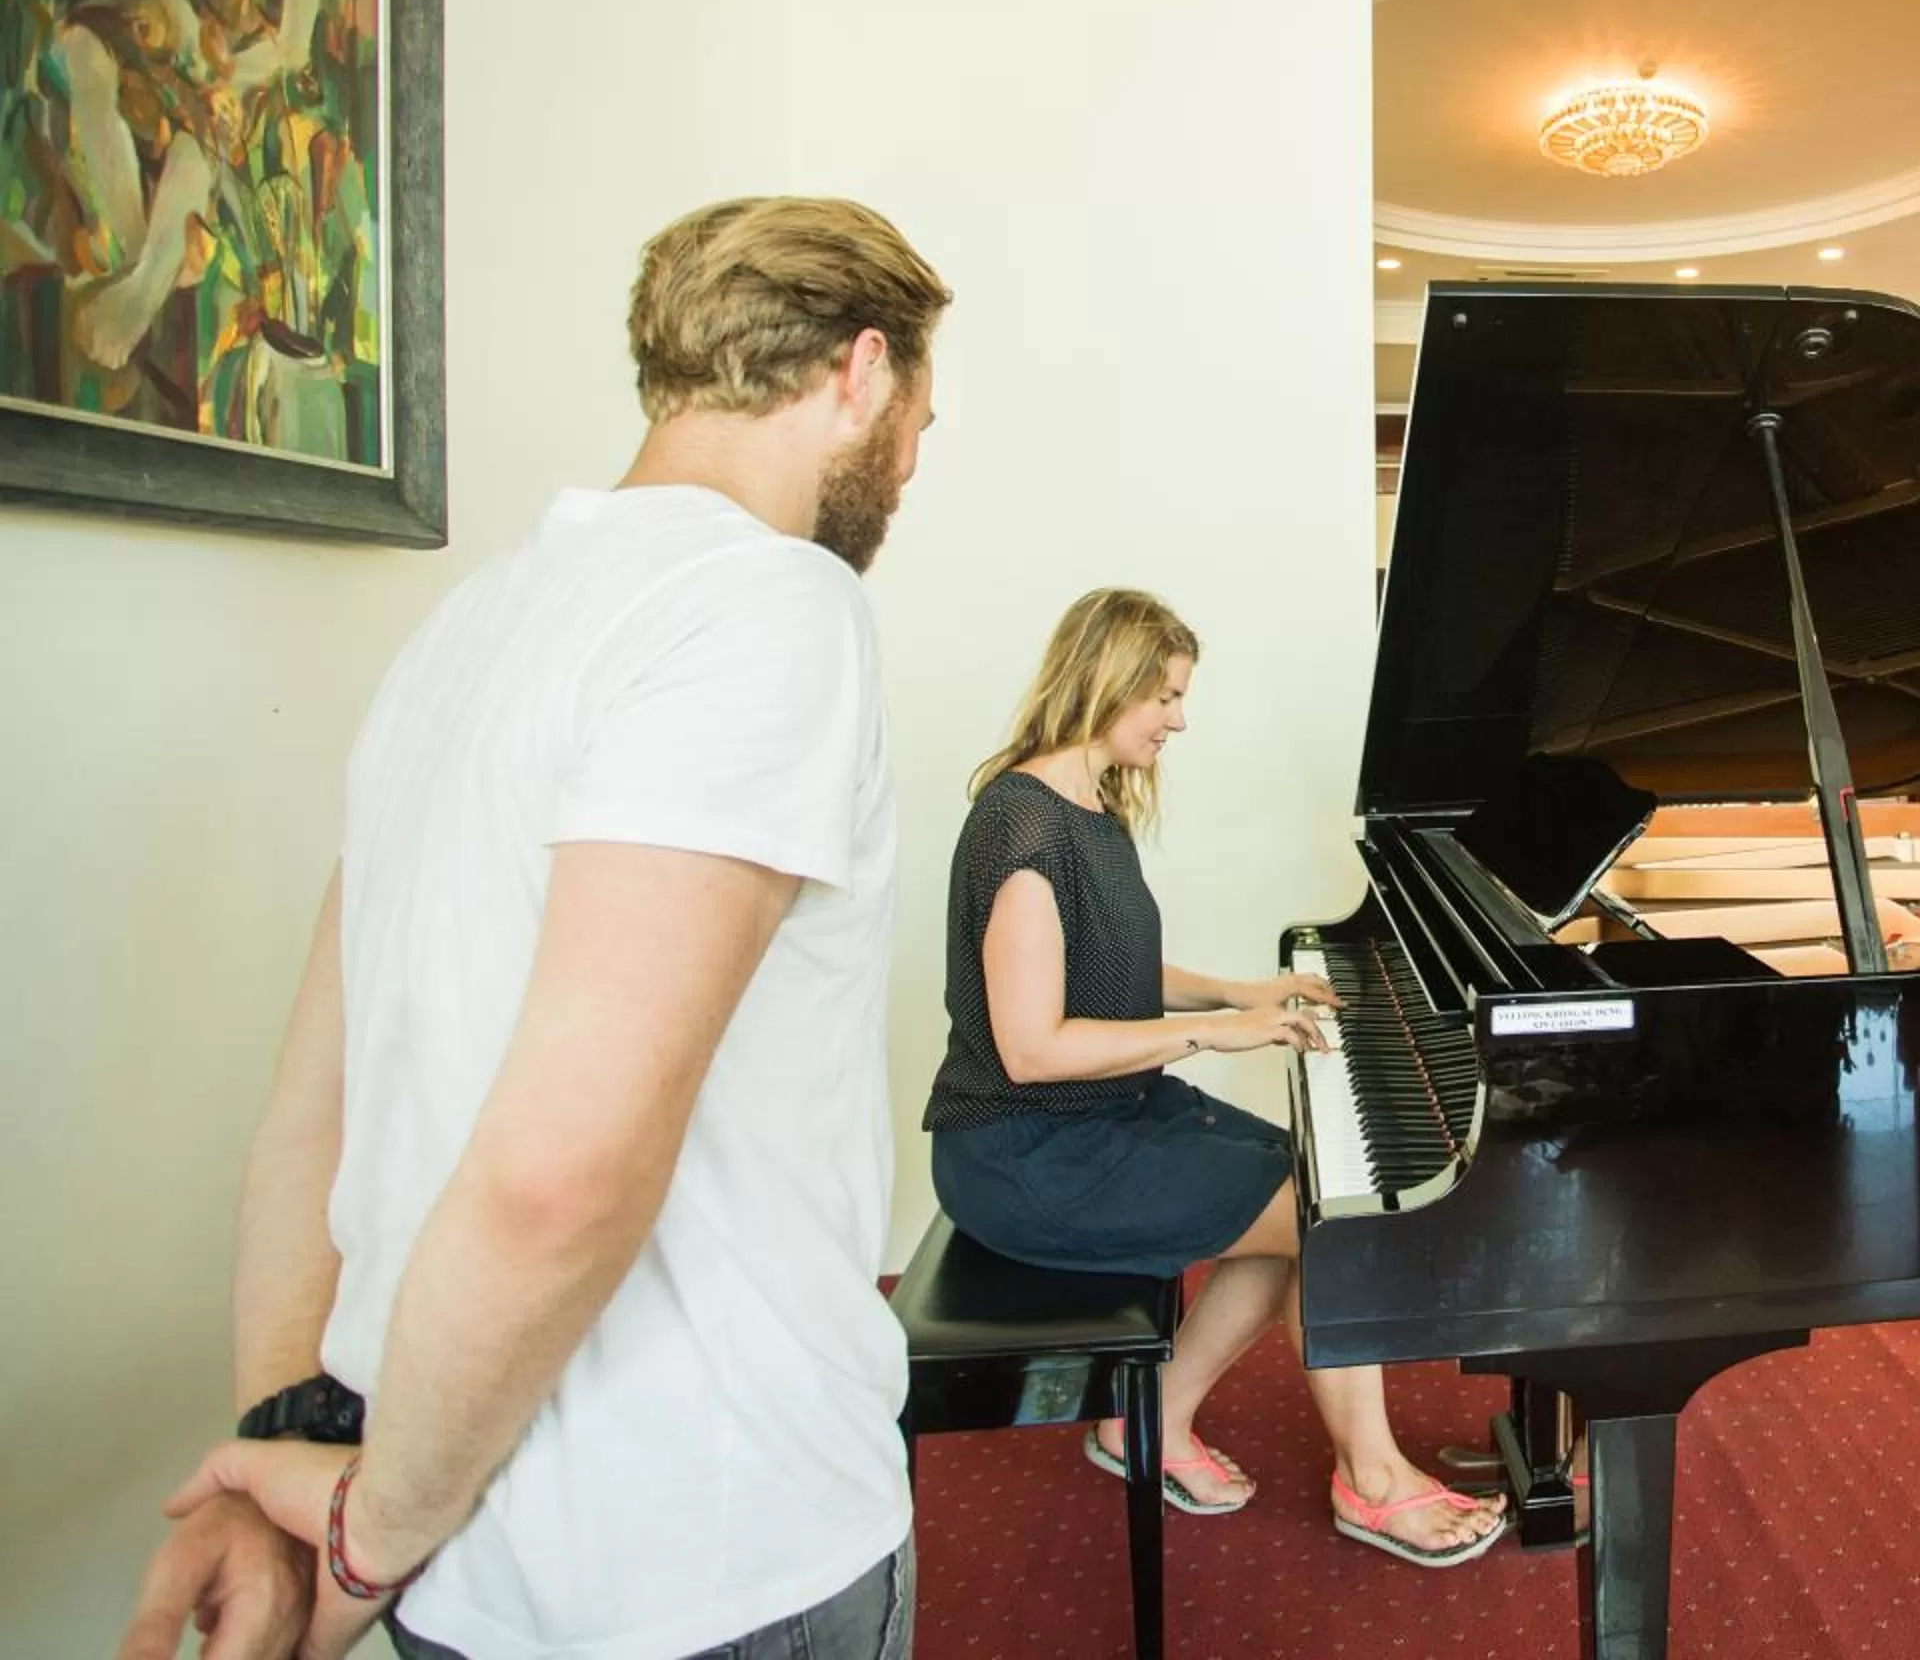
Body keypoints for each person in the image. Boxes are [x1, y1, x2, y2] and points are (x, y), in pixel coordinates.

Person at [118, 196, 952, 1660]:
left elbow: (313, 1114)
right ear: (862, 373)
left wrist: (288, 1448)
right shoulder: (767, 603)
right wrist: (362, 1541)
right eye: (922, 424)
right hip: (713, 1552)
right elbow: (560, 1176)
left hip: (469, 1570)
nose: (910, 468)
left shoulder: (465, 633)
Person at [925, 589, 1505, 1568]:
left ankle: (1150, 1417)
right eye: (1168, 695)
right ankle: (1372, 1477)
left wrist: (1248, 988)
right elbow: (1031, 1046)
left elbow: (1105, 964)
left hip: (1098, 1114)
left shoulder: (1086, 805)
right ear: (1108, 680)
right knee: (1330, 1221)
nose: (1180, 718)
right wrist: (1217, 1035)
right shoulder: (1022, 831)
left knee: (1308, 1189)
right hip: (1027, 1150)